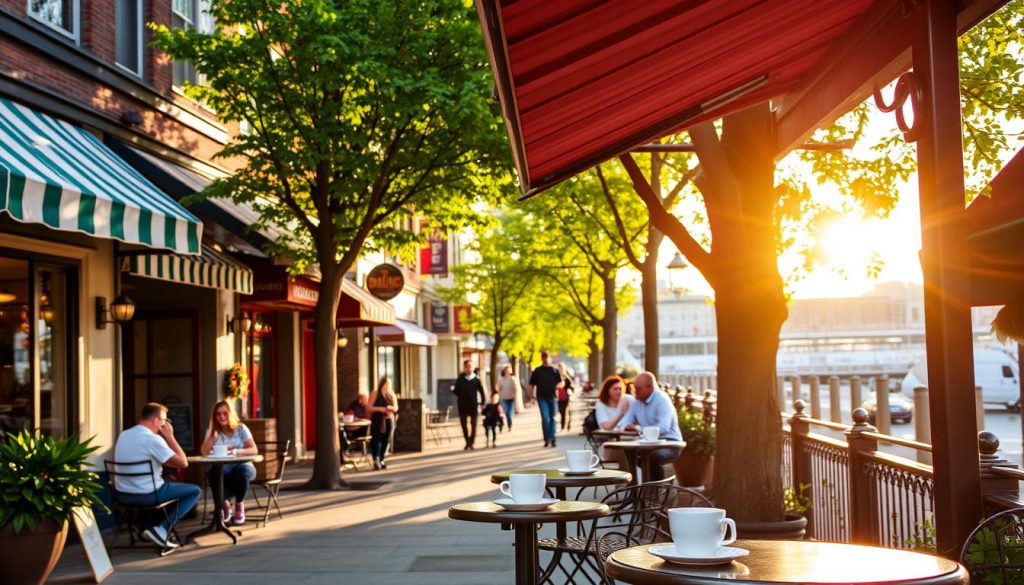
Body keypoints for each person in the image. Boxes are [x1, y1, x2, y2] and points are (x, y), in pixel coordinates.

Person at [113, 402, 200, 550]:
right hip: (146, 494)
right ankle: (162, 528)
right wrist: (170, 437)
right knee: (195, 491)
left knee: (165, 483)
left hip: (122, 495)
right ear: (156, 421)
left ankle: (144, 527)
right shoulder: (153, 439)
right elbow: (183, 463)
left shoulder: (124, 435)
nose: (165, 425)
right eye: (165, 421)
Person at [200, 400, 258, 525]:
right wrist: (211, 437)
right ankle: (225, 505)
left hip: (243, 466)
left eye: (225, 413)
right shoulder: (212, 431)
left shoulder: (241, 429)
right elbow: (204, 452)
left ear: (231, 414)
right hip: (223, 469)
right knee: (214, 472)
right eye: (218, 414)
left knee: (241, 471)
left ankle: (239, 505)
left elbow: (254, 449)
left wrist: (236, 451)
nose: (221, 417)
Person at [619, 371, 683, 481]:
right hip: (647, 443)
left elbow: (664, 428)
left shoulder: (662, 399)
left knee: (651, 456)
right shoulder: (636, 400)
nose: (635, 391)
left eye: (638, 388)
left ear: (649, 388)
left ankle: (655, 492)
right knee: (628, 452)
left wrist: (640, 429)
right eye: (634, 388)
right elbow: (623, 423)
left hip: (670, 443)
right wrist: (626, 426)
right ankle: (635, 491)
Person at [529, 350, 563, 448]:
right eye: (543, 357)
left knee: (553, 417)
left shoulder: (554, 370)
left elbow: (562, 382)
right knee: (545, 418)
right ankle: (546, 438)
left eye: (547, 357)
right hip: (541, 397)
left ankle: (552, 437)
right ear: (541, 358)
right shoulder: (537, 371)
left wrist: (557, 386)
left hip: (553, 397)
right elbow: (532, 384)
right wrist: (532, 396)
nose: (545, 359)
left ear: (550, 358)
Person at [453, 359, 485, 450]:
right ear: (464, 368)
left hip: (473, 405)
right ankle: (467, 441)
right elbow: (456, 391)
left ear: (473, 367)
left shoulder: (476, 379)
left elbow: (482, 392)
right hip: (462, 405)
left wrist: (483, 403)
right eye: (467, 366)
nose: (468, 368)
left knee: (473, 423)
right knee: (463, 423)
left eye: (470, 366)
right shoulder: (460, 379)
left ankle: (472, 441)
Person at [367, 376, 397, 469]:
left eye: (389, 383)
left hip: (389, 419)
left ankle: (382, 459)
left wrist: (390, 408)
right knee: (376, 439)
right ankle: (375, 459)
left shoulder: (391, 394)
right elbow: (369, 407)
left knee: (386, 439)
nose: (388, 385)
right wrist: (380, 409)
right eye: (386, 383)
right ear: (382, 384)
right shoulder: (375, 393)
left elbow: (396, 407)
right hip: (377, 419)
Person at [497, 364, 522, 431]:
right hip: (503, 398)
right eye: (506, 370)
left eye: (508, 370)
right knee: (506, 412)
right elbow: (498, 388)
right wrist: (499, 396)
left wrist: (515, 396)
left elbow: (516, 388)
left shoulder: (513, 379)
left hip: (511, 398)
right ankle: (509, 424)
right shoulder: (501, 379)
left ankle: (510, 425)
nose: (507, 371)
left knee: (510, 412)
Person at [557, 362, 575, 431]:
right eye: (558, 368)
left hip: (565, 397)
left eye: (561, 368)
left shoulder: (566, 378)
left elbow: (571, 386)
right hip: (558, 397)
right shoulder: (555, 377)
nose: (559, 369)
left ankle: (564, 425)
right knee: (561, 412)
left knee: (564, 411)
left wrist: (571, 391)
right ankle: (563, 424)